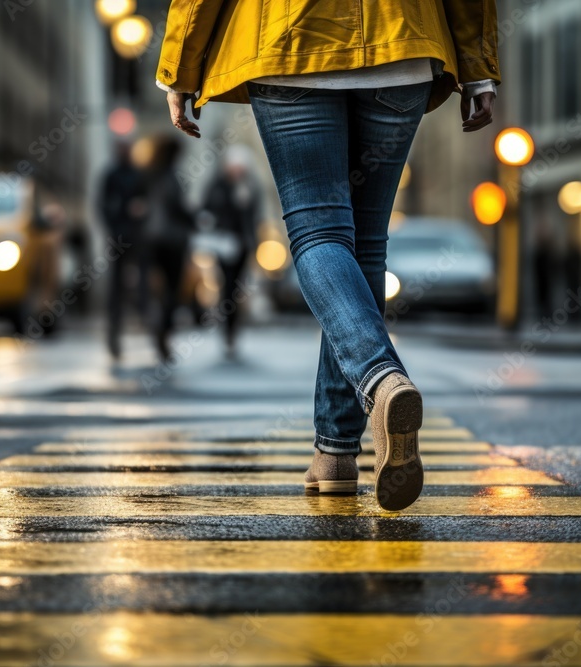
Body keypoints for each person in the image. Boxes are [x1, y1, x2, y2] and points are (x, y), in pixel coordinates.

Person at [157, 1, 500, 510]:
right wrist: (478, 68)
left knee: (318, 234)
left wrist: (178, 68)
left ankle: (380, 379)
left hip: (289, 40)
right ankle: (335, 452)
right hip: (401, 42)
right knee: (364, 249)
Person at [203, 145, 262, 358]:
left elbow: (254, 216)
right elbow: (207, 209)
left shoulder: (249, 186)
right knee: (226, 287)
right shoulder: (217, 186)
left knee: (237, 288)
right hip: (223, 244)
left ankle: (233, 331)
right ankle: (227, 330)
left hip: (243, 245)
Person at [144, 136, 195, 362]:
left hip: (152, 240)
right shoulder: (171, 177)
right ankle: (163, 333)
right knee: (171, 292)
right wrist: (196, 219)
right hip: (172, 241)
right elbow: (178, 209)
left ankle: (159, 330)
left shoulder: (149, 175)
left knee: (155, 290)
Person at [99, 140, 147, 361]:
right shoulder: (111, 175)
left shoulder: (138, 175)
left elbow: (147, 202)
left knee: (140, 284)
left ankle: (148, 328)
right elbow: (102, 205)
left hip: (136, 237)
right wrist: (113, 225)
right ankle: (114, 336)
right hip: (119, 238)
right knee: (116, 289)